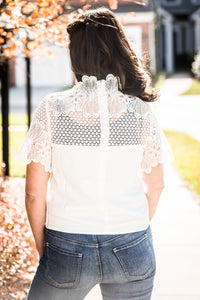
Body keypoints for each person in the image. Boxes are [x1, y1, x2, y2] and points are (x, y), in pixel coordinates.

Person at [17, 7, 172, 300]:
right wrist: (130, 232)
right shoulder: (140, 111)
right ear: (118, 49)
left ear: (75, 56)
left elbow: (34, 194)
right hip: (132, 243)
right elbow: (157, 185)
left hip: (66, 243)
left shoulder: (52, 109)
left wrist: (46, 251)